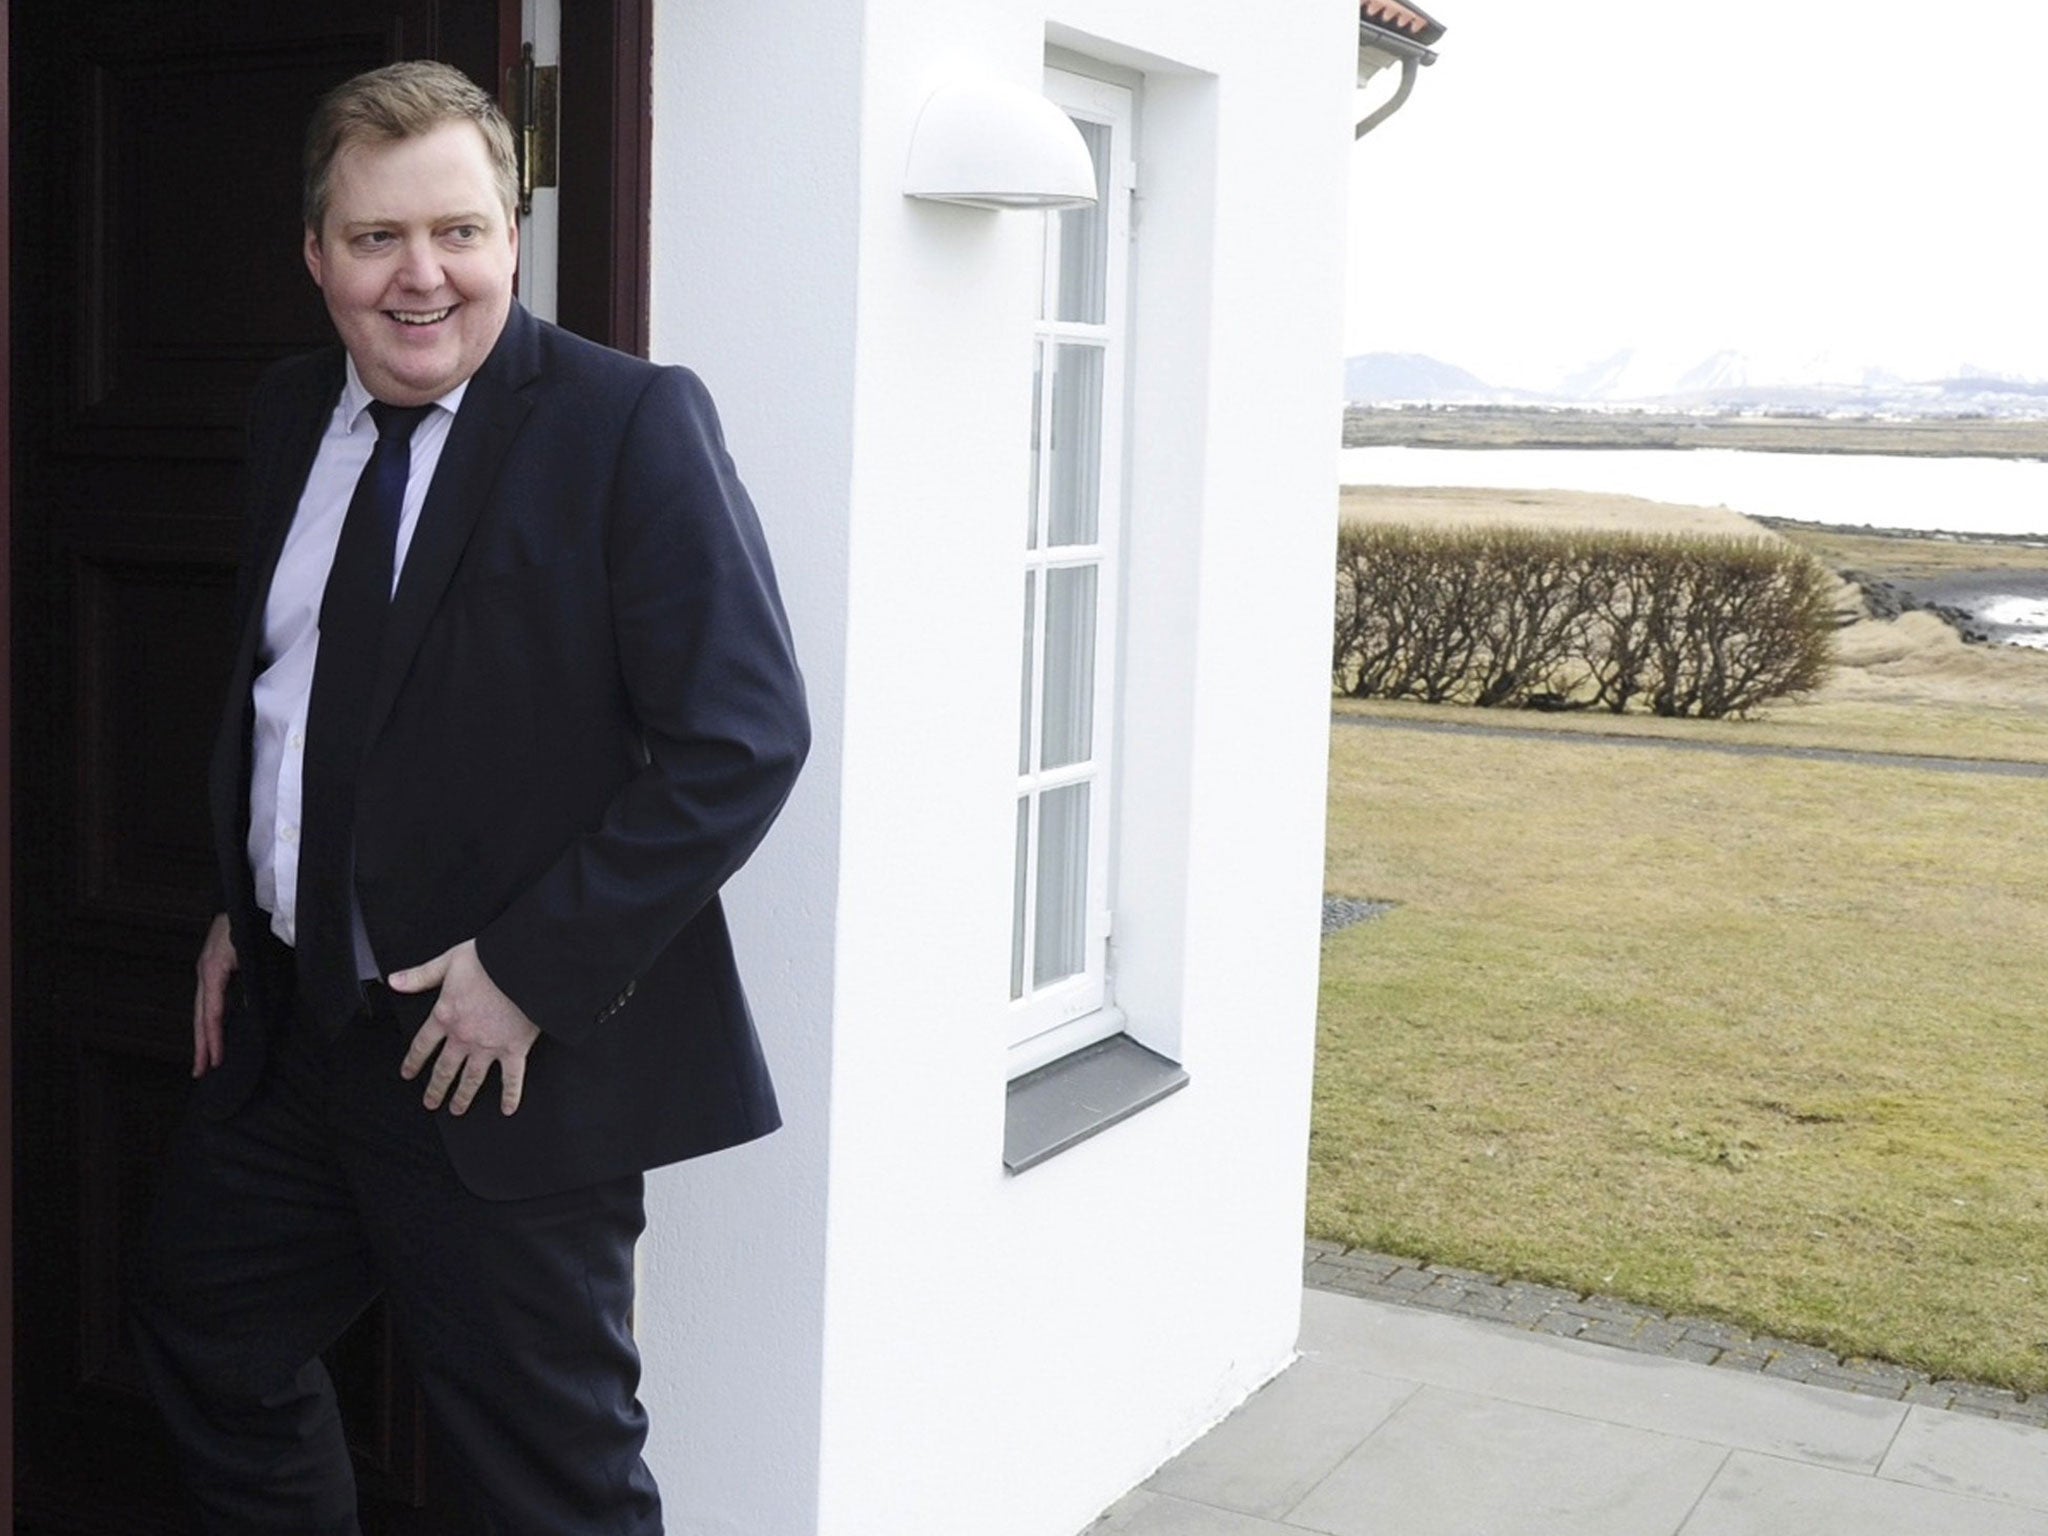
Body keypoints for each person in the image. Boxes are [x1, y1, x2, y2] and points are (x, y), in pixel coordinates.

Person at [129, 59, 808, 1535]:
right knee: (206, 1337)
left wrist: (526, 975)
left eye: (459, 232)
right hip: (299, 1035)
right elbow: (292, 692)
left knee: (546, 1486)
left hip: (497, 1062)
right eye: (376, 239)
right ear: (316, 255)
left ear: (513, 235)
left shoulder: (628, 426)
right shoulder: (283, 416)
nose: (420, 277)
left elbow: (741, 738)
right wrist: (250, 904)